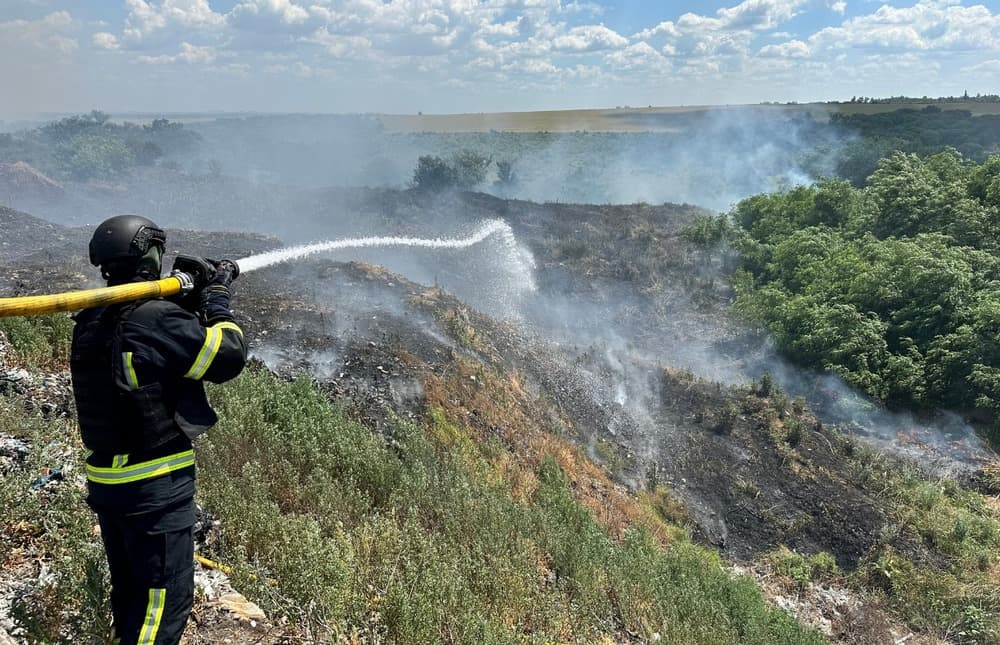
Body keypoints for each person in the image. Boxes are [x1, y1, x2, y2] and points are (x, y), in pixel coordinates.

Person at [70, 215, 247, 644]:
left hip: (112, 483)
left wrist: (187, 299)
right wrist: (217, 300)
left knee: (132, 595)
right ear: (149, 254)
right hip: (153, 486)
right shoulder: (151, 318)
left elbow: (152, 353)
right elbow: (227, 356)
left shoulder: (94, 318)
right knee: (162, 606)